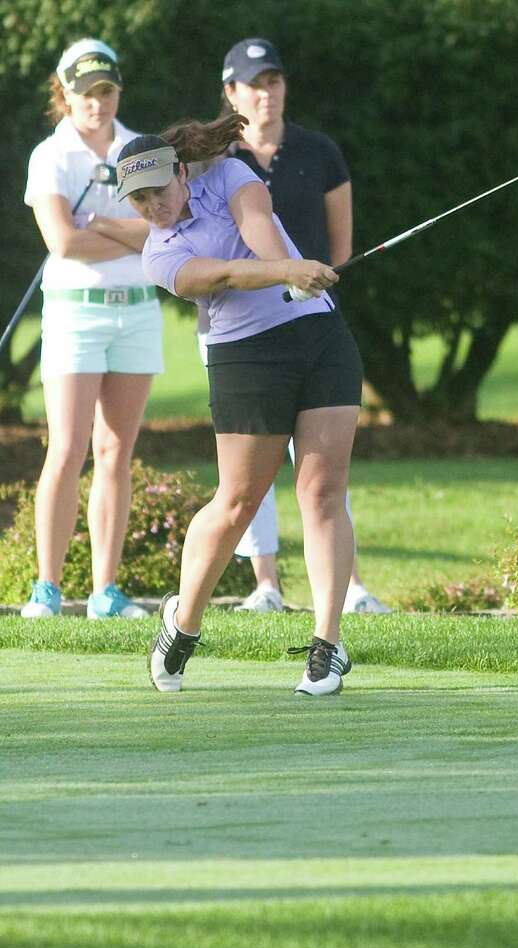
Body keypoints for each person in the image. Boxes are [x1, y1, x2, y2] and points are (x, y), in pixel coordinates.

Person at [111, 114, 360, 695]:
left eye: (158, 191)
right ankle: (183, 623)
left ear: (180, 172)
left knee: (322, 490)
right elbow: (222, 272)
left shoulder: (227, 173)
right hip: (245, 355)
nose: (152, 207)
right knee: (239, 500)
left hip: (320, 338)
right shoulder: (160, 255)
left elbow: (258, 223)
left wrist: (293, 275)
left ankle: (328, 645)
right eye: (139, 200)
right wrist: (285, 272)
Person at [208, 37, 389, 615]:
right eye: (254, 84)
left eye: (274, 81)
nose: (266, 94)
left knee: (321, 467)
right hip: (239, 330)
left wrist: (320, 281)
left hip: (311, 321)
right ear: (231, 93)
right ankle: (266, 584)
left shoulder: (320, 151)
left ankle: (348, 588)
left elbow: (340, 245)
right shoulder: (216, 162)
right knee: (248, 470)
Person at [21, 38, 161, 620]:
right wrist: (122, 229)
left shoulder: (140, 150)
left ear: (117, 91)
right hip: (75, 309)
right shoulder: (50, 156)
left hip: (138, 309)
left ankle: (105, 591)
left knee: (115, 451)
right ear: (65, 94)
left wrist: (100, 222)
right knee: (68, 449)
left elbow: (159, 231)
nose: (97, 103)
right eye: (85, 93)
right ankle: (47, 588)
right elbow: (63, 242)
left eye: (106, 91)